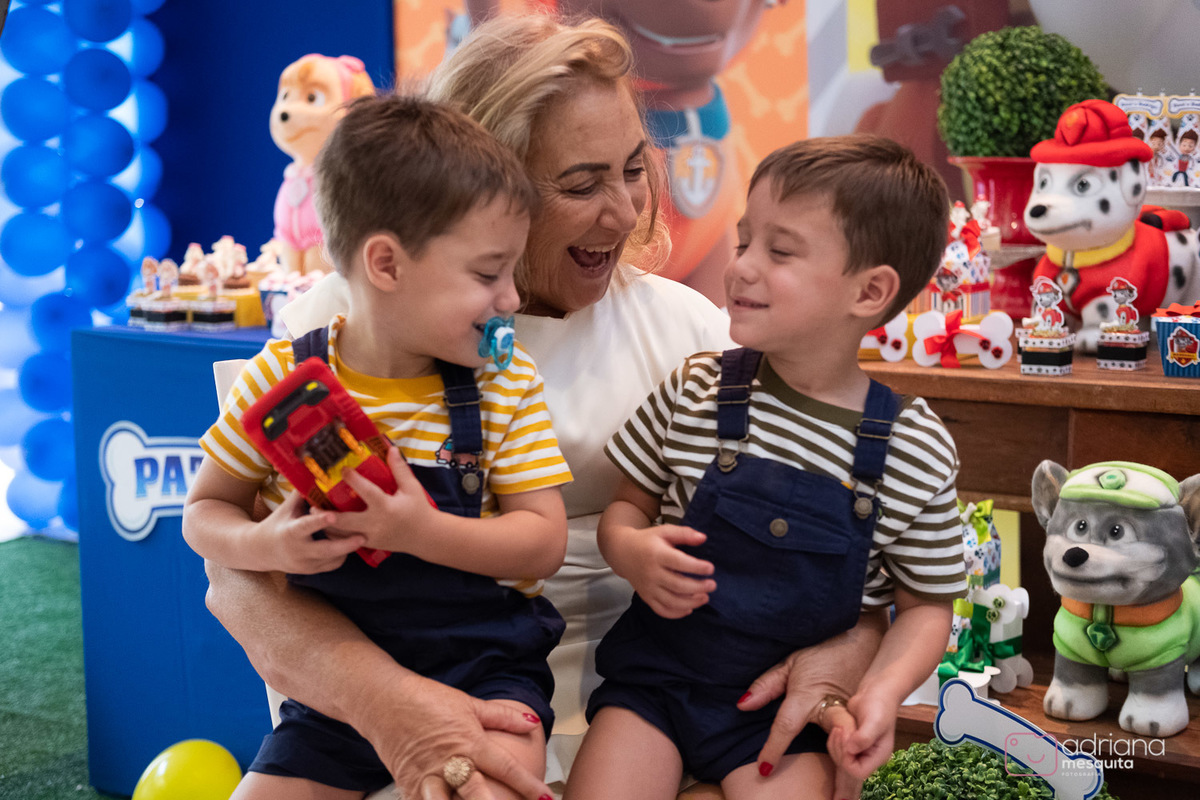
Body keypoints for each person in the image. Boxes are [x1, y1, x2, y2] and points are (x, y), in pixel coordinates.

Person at [203, 14, 887, 800]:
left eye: (634, 169)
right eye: (581, 183)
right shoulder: (341, 323)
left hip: (653, 718)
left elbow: (844, 535)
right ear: (485, 186)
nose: (628, 211)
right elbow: (234, 575)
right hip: (401, 707)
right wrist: (396, 710)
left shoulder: (688, 333)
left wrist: (851, 641)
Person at [183, 94, 574, 799]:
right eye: (488, 274)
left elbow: (542, 542)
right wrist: (266, 546)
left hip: (486, 668)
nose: (512, 299)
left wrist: (423, 531)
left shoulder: (505, 383)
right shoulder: (280, 379)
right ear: (386, 264)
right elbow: (204, 515)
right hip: (337, 691)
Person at [565, 137, 967, 800]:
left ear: (870, 291)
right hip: (657, 686)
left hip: (785, 716)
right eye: (745, 239)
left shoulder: (912, 447)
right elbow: (627, 507)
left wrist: (882, 692)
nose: (742, 266)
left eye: (778, 252)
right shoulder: (695, 388)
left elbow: (926, 606)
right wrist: (632, 549)